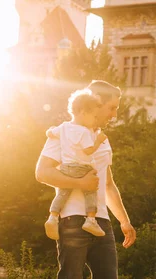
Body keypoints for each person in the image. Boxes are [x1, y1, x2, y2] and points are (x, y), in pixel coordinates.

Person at [35, 80, 136, 279]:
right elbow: (42, 173)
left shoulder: (102, 139)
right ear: (95, 104)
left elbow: (109, 184)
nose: (114, 114)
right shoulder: (62, 135)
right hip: (71, 218)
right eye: (112, 107)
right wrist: (79, 182)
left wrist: (125, 221)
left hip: (100, 221)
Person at [44, 89, 109, 240]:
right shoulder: (84, 132)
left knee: (63, 193)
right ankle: (91, 220)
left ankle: (53, 217)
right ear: (82, 113)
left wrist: (49, 130)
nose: (94, 120)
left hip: (66, 168)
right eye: (93, 116)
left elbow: (50, 133)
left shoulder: (64, 127)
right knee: (91, 191)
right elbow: (88, 151)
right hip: (82, 168)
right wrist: (98, 141)